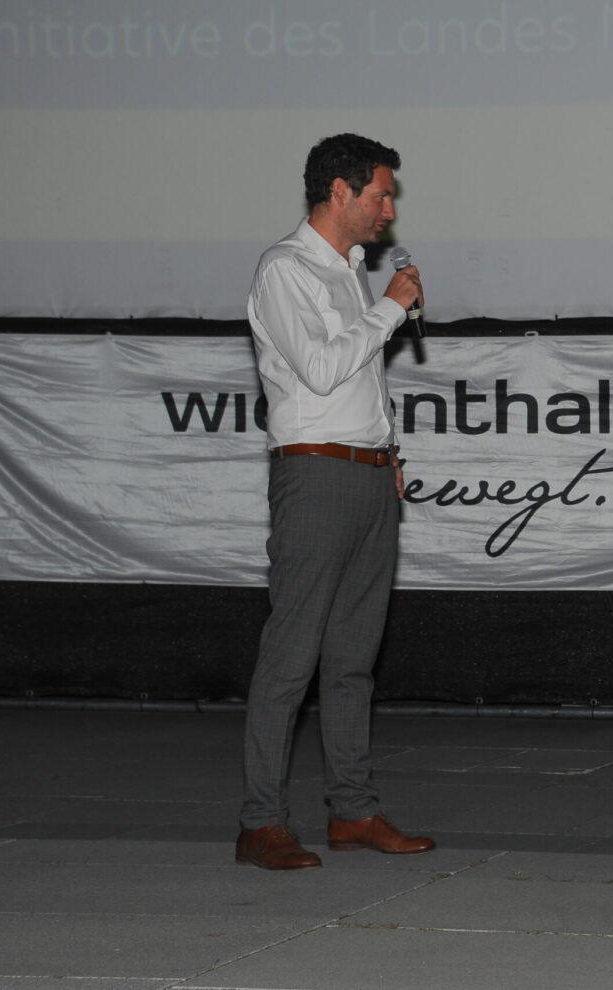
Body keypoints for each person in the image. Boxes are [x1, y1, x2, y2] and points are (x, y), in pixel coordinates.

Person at [235, 133, 435, 870]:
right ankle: (260, 822)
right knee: (292, 657)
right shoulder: (285, 268)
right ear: (340, 191)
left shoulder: (350, 270)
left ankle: (352, 811)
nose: (389, 210)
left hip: (366, 473)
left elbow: (360, 384)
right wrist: (390, 310)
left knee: (353, 660)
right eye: (381, 195)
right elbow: (320, 370)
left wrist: (387, 451)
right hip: (315, 474)